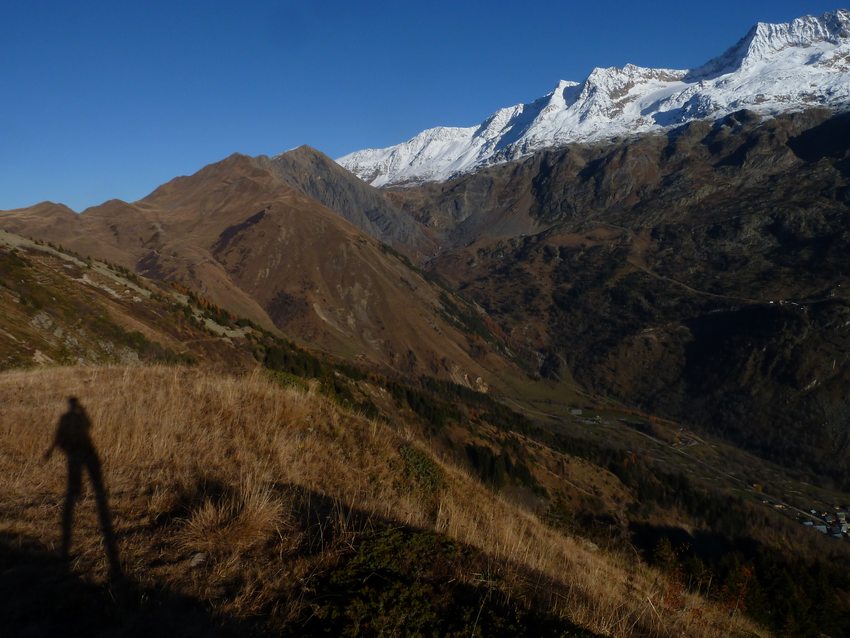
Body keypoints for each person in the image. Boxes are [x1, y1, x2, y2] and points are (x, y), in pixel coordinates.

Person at [45, 397, 121, 578]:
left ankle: (78, 495)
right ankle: (81, 495)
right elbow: (84, 427)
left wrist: (55, 448)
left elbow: (68, 432)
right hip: (79, 451)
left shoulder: (67, 416)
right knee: (84, 482)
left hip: (79, 450)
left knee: (78, 482)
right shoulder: (70, 417)